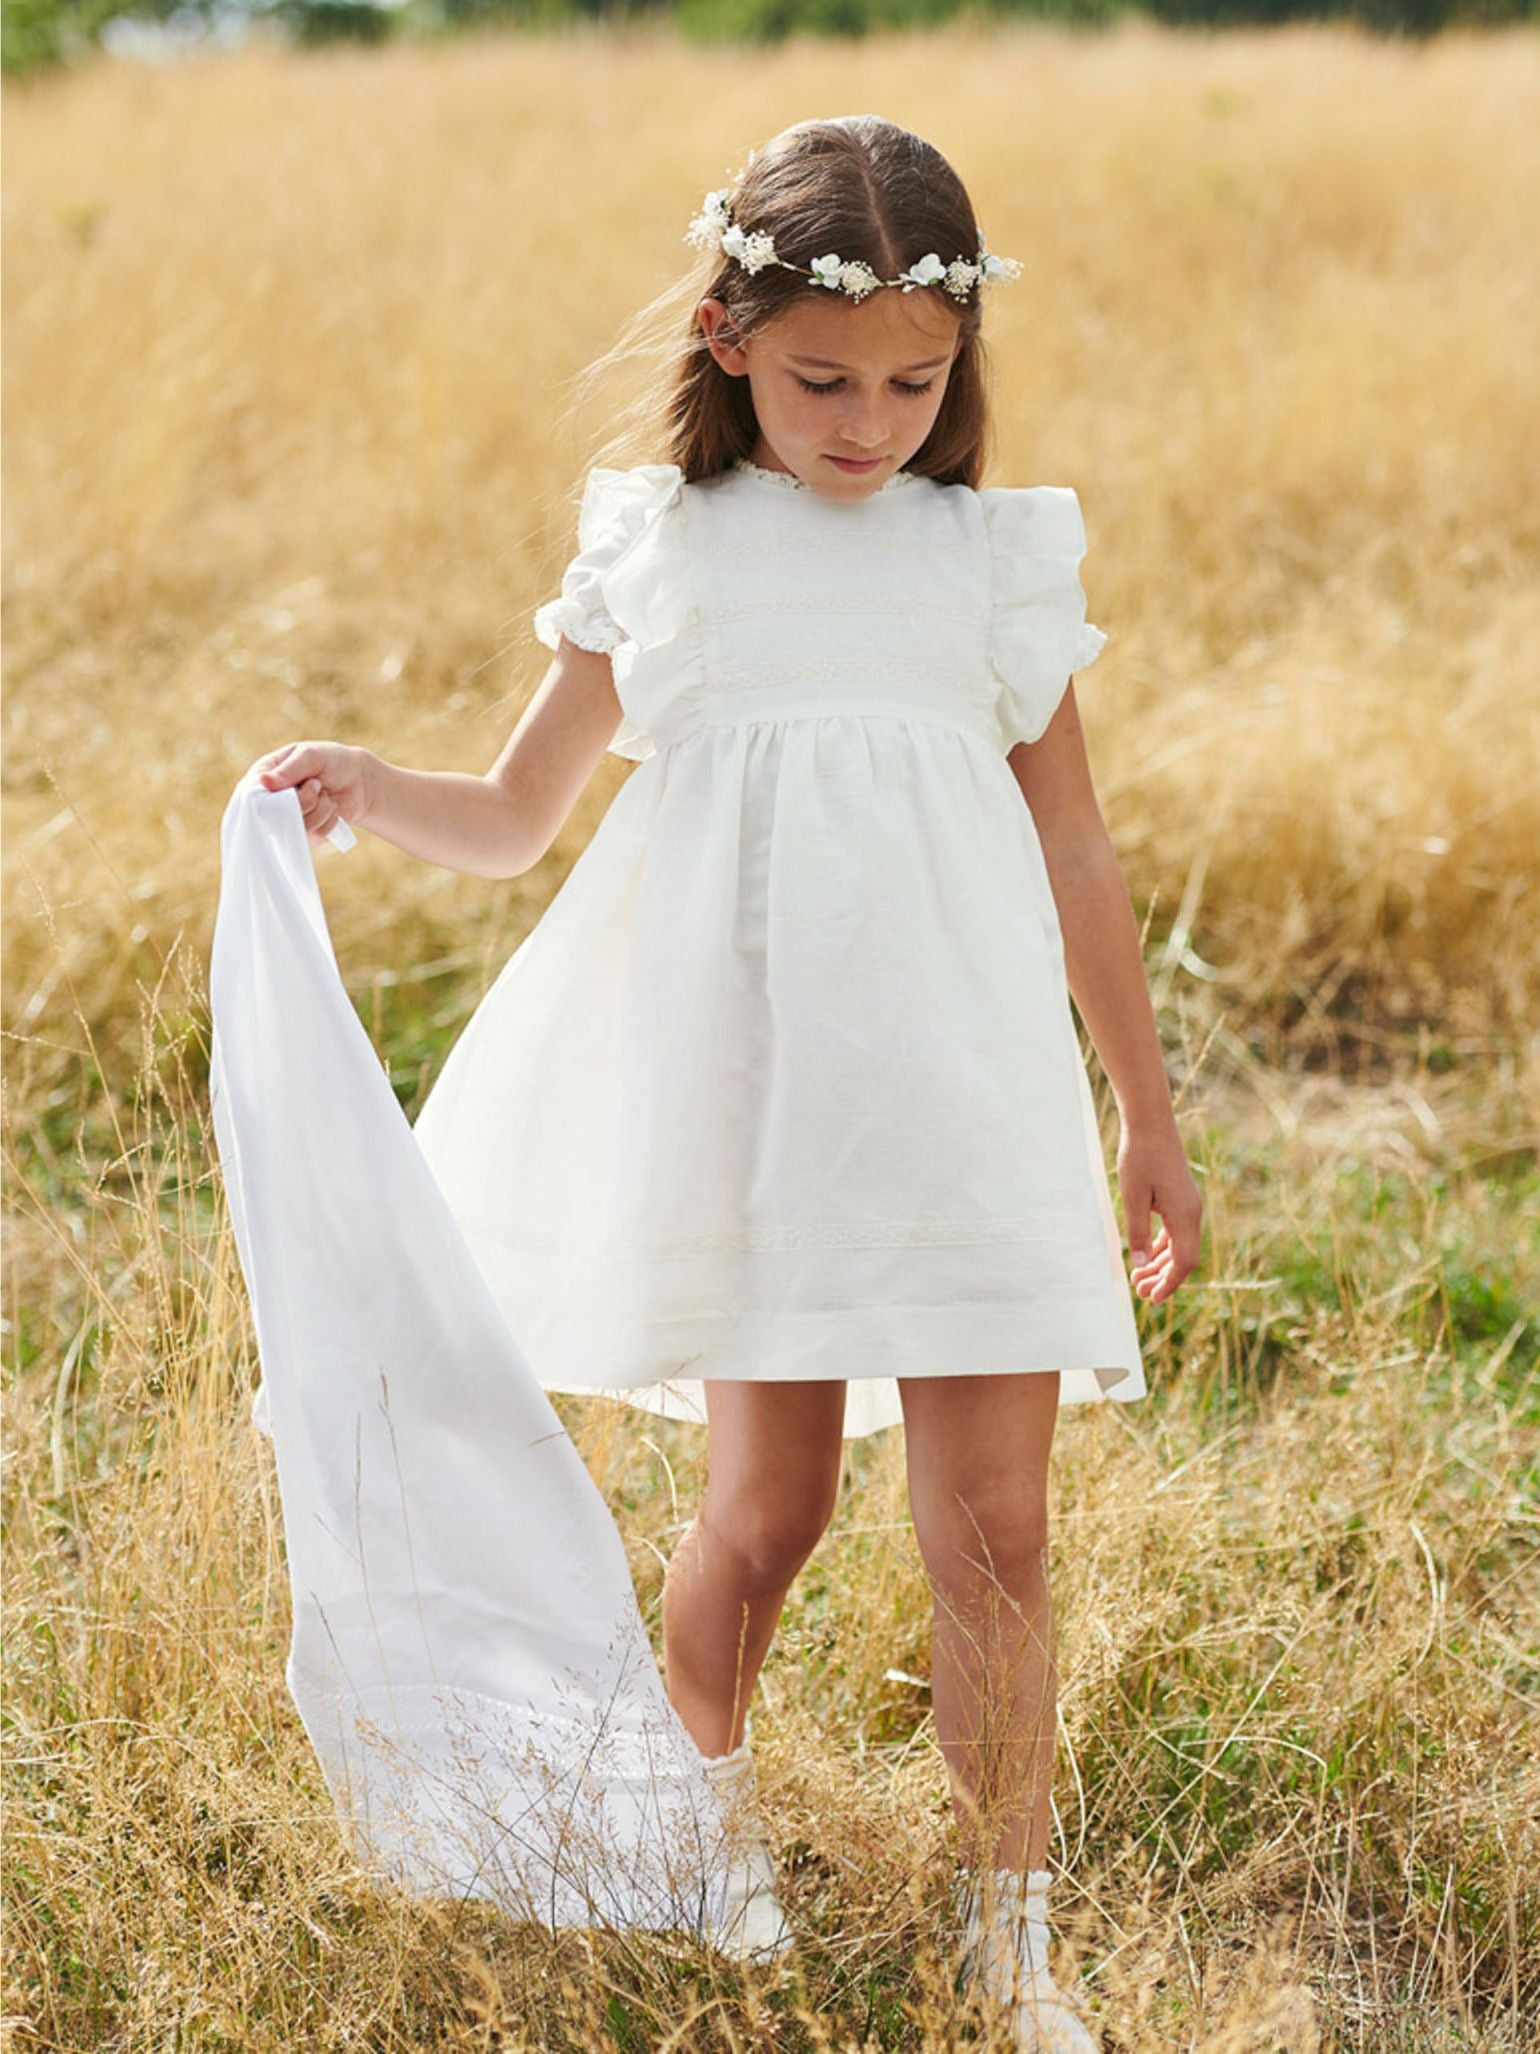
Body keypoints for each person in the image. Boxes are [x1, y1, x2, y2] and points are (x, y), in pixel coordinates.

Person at [254, 114, 1203, 2053]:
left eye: (912, 385)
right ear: (722, 339)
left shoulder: (990, 562)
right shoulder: (667, 547)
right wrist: (361, 785)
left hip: (964, 1096)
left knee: (995, 1530)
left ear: (960, 369)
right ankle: (692, 1840)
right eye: (818, 380)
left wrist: (1146, 1109)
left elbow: (1080, 853)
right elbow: (517, 814)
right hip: (762, 1109)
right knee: (759, 1512)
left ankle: (1008, 1939)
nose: (866, 422)